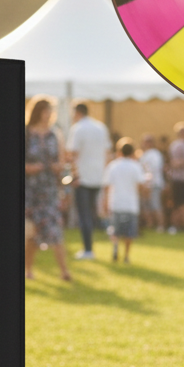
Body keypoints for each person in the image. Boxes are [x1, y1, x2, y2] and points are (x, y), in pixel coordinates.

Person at [25, 97, 71, 281]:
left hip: (49, 189)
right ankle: (27, 270)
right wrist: (29, 168)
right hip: (31, 189)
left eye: (51, 110)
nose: (50, 114)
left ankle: (64, 271)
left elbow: (62, 160)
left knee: (55, 230)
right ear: (38, 111)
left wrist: (57, 167)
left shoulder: (55, 134)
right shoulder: (27, 133)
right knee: (32, 232)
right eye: (47, 110)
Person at [66, 102, 111, 261]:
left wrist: (74, 175)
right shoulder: (101, 127)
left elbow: (72, 155)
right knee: (91, 213)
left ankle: (88, 249)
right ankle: (89, 247)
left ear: (77, 112)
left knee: (84, 214)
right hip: (98, 177)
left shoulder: (77, 128)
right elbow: (107, 153)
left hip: (83, 178)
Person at [101, 138, 146, 264]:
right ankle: (126, 256)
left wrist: (105, 202)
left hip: (115, 202)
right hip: (131, 204)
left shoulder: (113, 166)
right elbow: (141, 185)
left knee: (115, 230)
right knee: (129, 232)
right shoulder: (136, 166)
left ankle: (115, 248)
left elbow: (106, 186)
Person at [139, 133, 165, 232]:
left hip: (153, 184)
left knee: (155, 204)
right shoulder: (146, 154)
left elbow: (153, 170)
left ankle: (160, 226)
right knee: (147, 206)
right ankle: (150, 225)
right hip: (146, 184)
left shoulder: (154, 154)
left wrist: (148, 183)